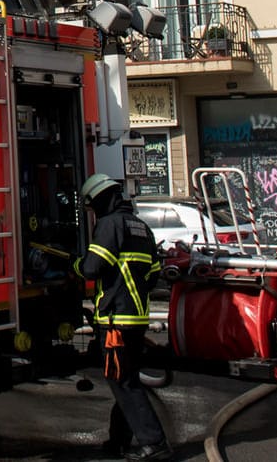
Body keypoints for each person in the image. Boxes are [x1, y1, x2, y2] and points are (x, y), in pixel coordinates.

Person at [77, 172, 169, 462]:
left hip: (116, 319)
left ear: (100, 201)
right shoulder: (141, 228)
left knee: (124, 383)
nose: (93, 214)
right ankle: (118, 441)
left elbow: (92, 268)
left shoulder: (109, 225)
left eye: (92, 207)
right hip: (137, 319)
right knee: (124, 379)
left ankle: (155, 443)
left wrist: (75, 265)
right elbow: (154, 275)